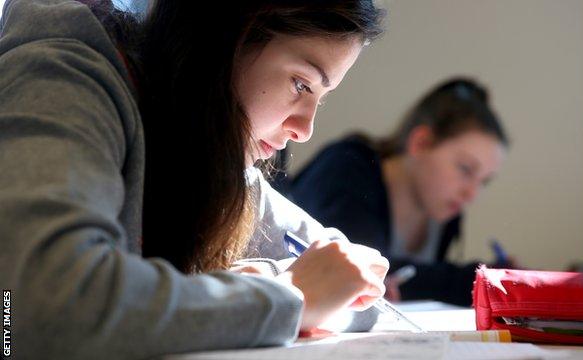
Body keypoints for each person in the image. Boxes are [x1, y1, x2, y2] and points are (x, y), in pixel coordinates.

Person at [0, 0, 389, 358]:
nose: (305, 129)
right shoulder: (64, 84)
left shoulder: (204, 156)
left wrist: (275, 286)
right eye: (301, 84)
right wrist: (289, 295)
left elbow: (350, 283)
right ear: (228, 39)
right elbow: (35, 308)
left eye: (320, 98)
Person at [289, 77, 510, 306]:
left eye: (484, 182)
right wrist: (490, 280)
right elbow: (352, 270)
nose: (471, 194)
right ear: (421, 142)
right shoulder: (345, 168)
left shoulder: (442, 208)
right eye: (465, 169)